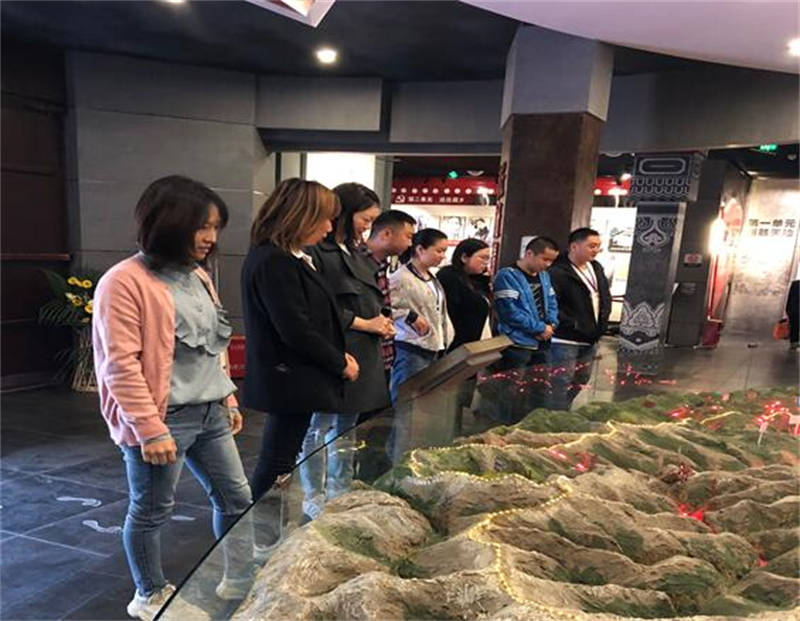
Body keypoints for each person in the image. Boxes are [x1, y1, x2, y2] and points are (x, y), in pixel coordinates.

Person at [92, 176, 253, 620]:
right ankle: (149, 594)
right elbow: (119, 364)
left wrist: (228, 399)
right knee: (151, 511)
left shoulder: (198, 275)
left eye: (216, 226)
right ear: (169, 222)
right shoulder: (123, 281)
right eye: (202, 225)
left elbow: (213, 344)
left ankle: (240, 578)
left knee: (236, 498)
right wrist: (149, 429)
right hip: (164, 419)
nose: (211, 237)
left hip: (210, 411)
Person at [242, 179, 359, 502]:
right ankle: (260, 528)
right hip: (289, 379)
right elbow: (295, 328)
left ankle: (264, 525)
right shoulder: (274, 260)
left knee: (281, 458)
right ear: (300, 216)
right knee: (276, 462)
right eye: (324, 219)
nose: (329, 227)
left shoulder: (286, 257)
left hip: (294, 379)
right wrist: (339, 362)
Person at [299, 183, 395, 521]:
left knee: (346, 429)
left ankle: (339, 489)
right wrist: (367, 323)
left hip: (363, 353)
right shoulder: (316, 251)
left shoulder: (354, 252)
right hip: (334, 353)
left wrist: (381, 322)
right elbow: (315, 309)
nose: (367, 227)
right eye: (364, 219)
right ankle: (313, 494)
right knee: (317, 428)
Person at [490, 236, 560, 422]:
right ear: (529, 253)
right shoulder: (507, 275)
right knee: (510, 391)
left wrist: (551, 324)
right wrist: (539, 328)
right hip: (517, 344)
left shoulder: (544, 276)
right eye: (545, 259)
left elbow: (552, 302)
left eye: (551, 261)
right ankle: (505, 425)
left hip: (543, 343)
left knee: (539, 389)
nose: (548, 265)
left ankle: (531, 424)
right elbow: (509, 311)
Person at [549, 227, 611, 410]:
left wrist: (603, 321)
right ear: (574, 246)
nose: (596, 250)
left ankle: (563, 410)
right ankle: (554, 416)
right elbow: (552, 304)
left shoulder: (596, 267)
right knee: (560, 382)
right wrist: (572, 323)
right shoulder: (557, 271)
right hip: (565, 338)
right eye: (591, 246)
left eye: (598, 246)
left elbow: (604, 295)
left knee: (581, 379)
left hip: (590, 336)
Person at [389, 228, 453, 403]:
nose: (442, 256)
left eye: (444, 251)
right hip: (411, 348)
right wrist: (410, 317)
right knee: (406, 402)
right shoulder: (401, 277)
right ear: (420, 249)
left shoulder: (431, 276)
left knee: (422, 403)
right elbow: (385, 306)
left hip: (433, 347)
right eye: (439, 251)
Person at [360, 209, 417, 383]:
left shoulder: (381, 264)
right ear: (386, 234)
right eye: (408, 237)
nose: (410, 244)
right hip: (362, 355)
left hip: (381, 354)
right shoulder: (357, 262)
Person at [438, 238, 492, 350]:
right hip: (453, 345)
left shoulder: (477, 280)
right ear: (464, 257)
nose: (486, 262)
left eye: (488, 259)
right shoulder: (448, 276)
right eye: (482, 258)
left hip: (473, 345)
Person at [787, 279, 799, 350]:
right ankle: (794, 342)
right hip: (795, 309)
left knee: (794, 326)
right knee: (794, 326)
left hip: (794, 309)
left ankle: (794, 342)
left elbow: (789, 297)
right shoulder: (795, 284)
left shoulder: (795, 284)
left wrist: (787, 309)